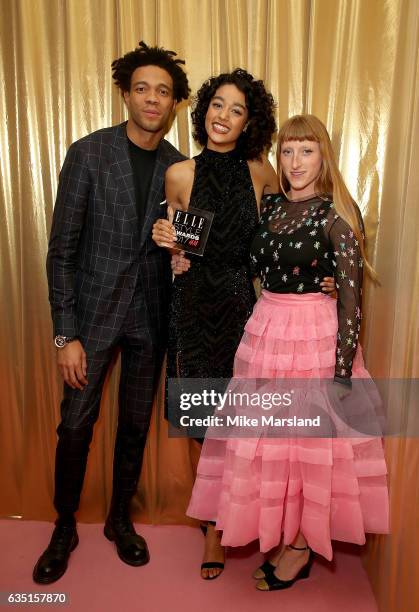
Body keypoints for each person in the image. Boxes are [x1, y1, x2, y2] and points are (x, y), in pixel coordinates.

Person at [186, 114, 389, 590]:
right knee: (274, 445)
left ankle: (299, 547)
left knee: (309, 446)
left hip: (314, 337)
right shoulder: (272, 205)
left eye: (307, 150)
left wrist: (341, 374)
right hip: (266, 332)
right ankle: (285, 534)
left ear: (324, 157)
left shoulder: (338, 213)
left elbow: (351, 298)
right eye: (288, 151)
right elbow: (237, 251)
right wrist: (177, 248)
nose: (295, 162)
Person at [152, 81, 335, 579]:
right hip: (190, 307)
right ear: (204, 111)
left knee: (242, 422)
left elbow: (298, 224)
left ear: (248, 122)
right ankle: (212, 526)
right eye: (217, 105)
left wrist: (330, 272)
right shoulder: (178, 173)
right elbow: (171, 235)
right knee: (198, 420)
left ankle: (251, 514)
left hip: (243, 309)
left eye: (237, 110)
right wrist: (170, 247)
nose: (223, 116)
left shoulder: (263, 174)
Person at [33, 41, 190, 585]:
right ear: (126, 92)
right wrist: (64, 336)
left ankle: (120, 519)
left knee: (134, 426)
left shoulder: (181, 167)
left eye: (163, 92)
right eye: (142, 88)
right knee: (75, 425)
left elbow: (190, 255)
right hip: (91, 321)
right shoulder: (88, 152)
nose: (152, 99)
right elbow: (62, 252)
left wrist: (181, 252)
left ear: (175, 105)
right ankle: (64, 526)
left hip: (152, 316)